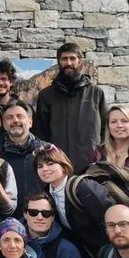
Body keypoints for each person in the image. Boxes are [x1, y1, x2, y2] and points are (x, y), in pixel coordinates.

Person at [34, 143, 115, 258]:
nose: (44, 169)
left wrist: (109, 254)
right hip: (88, 257)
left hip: (111, 251)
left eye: (50, 164)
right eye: (40, 166)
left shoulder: (82, 187)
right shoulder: (46, 196)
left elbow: (110, 218)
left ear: (63, 166)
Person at [34, 42, 109, 172]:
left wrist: (97, 155)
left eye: (72, 58)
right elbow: (41, 134)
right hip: (58, 166)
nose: (68, 63)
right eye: (64, 59)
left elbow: (106, 129)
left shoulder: (96, 93)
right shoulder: (46, 96)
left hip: (91, 165)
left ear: (80, 62)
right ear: (59, 62)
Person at [0, 102, 46, 213]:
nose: (15, 120)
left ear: (30, 122)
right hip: (9, 220)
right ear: (4, 125)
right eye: (9, 117)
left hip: (42, 217)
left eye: (20, 116)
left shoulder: (47, 151)